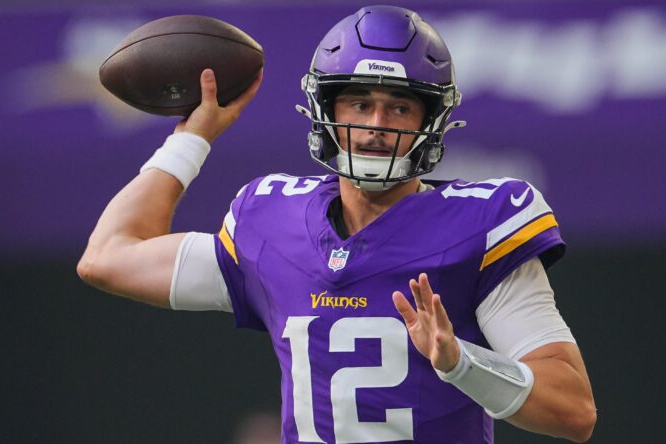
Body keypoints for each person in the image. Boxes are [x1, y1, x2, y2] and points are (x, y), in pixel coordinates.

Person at [78, 5, 596, 443]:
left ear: (431, 121)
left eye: (399, 107)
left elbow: (574, 411)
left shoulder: (481, 224)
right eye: (360, 103)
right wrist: (192, 139)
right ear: (325, 109)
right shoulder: (271, 221)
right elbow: (108, 257)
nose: (376, 126)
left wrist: (461, 363)